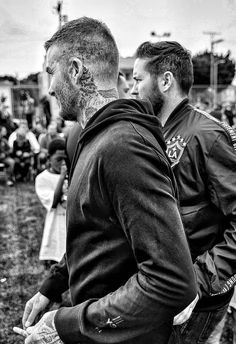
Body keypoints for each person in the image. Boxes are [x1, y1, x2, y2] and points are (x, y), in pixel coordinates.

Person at [16, 18, 197, 344]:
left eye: (50, 73)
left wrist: (66, 325)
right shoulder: (92, 137)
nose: (51, 88)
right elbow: (98, 232)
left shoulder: (124, 146)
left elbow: (171, 281)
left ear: (74, 70)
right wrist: (53, 285)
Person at [131, 40, 236, 343]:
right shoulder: (153, 131)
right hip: (161, 288)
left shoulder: (208, 135)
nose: (133, 88)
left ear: (165, 80)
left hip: (196, 300)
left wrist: (198, 282)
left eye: (138, 80)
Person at [35, 138, 67, 269]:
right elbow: (53, 203)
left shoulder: (72, 174)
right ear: (49, 158)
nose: (63, 163)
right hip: (56, 218)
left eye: (66, 159)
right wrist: (62, 177)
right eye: (59, 160)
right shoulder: (42, 178)